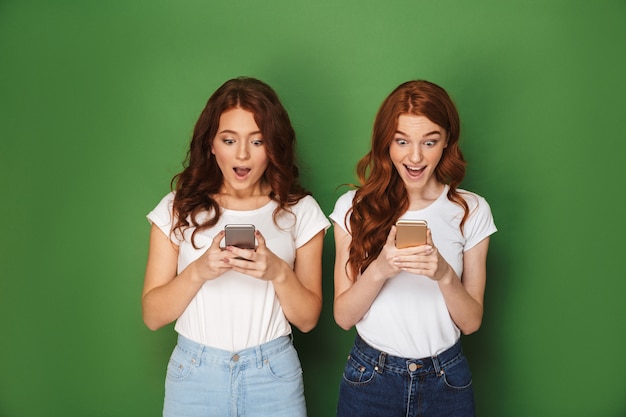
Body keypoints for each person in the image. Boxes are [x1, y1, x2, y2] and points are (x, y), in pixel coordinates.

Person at [142, 76, 330, 417]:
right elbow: (153, 315)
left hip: (273, 376)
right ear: (211, 144)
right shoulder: (177, 207)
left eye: (257, 141)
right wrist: (200, 270)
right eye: (229, 140)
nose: (242, 154)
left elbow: (307, 320)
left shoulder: (301, 210)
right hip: (194, 375)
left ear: (274, 146)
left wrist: (277, 272)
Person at [330, 80, 497, 417]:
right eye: (401, 141)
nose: (416, 157)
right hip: (370, 377)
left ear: (447, 140)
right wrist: (380, 269)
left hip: (446, 380)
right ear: (385, 144)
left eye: (429, 142)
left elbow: (471, 322)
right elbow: (343, 317)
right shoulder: (354, 207)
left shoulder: (471, 209)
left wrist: (443, 274)